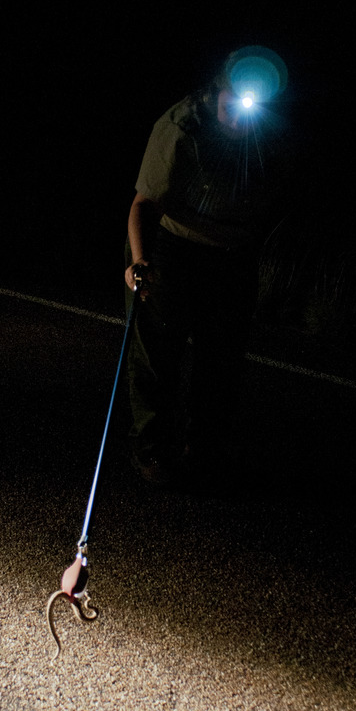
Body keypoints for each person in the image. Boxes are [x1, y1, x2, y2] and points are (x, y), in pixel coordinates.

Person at [124, 47, 293, 487]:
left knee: (221, 359)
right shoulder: (182, 127)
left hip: (231, 253)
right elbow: (143, 204)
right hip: (172, 244)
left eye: (251, 112)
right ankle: (151, 451)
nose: (239, 122)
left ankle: (205, 450)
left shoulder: (271, 136)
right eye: (230, 109)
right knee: (157, 355)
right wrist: (140, 261)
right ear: (217, 92)